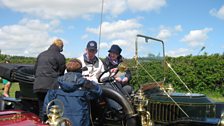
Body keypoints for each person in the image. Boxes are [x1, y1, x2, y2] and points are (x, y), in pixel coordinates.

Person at [43, 59, 102, 126]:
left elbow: (47, 105)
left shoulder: (56, 83)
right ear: (80, 70)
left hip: (60, 122)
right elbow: (98, 92)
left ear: (67, 70)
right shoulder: (86, 84)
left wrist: (46, 119)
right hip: (81, 122)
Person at [33, 38, 66, 121]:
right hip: (51, 86)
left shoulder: (41, 54)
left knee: (41, 109)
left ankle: (42, 122)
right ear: (61, 47)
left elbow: (35, 70)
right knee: (53, 110)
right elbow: (61, 73)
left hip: (38, 85)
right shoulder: (60, 56)